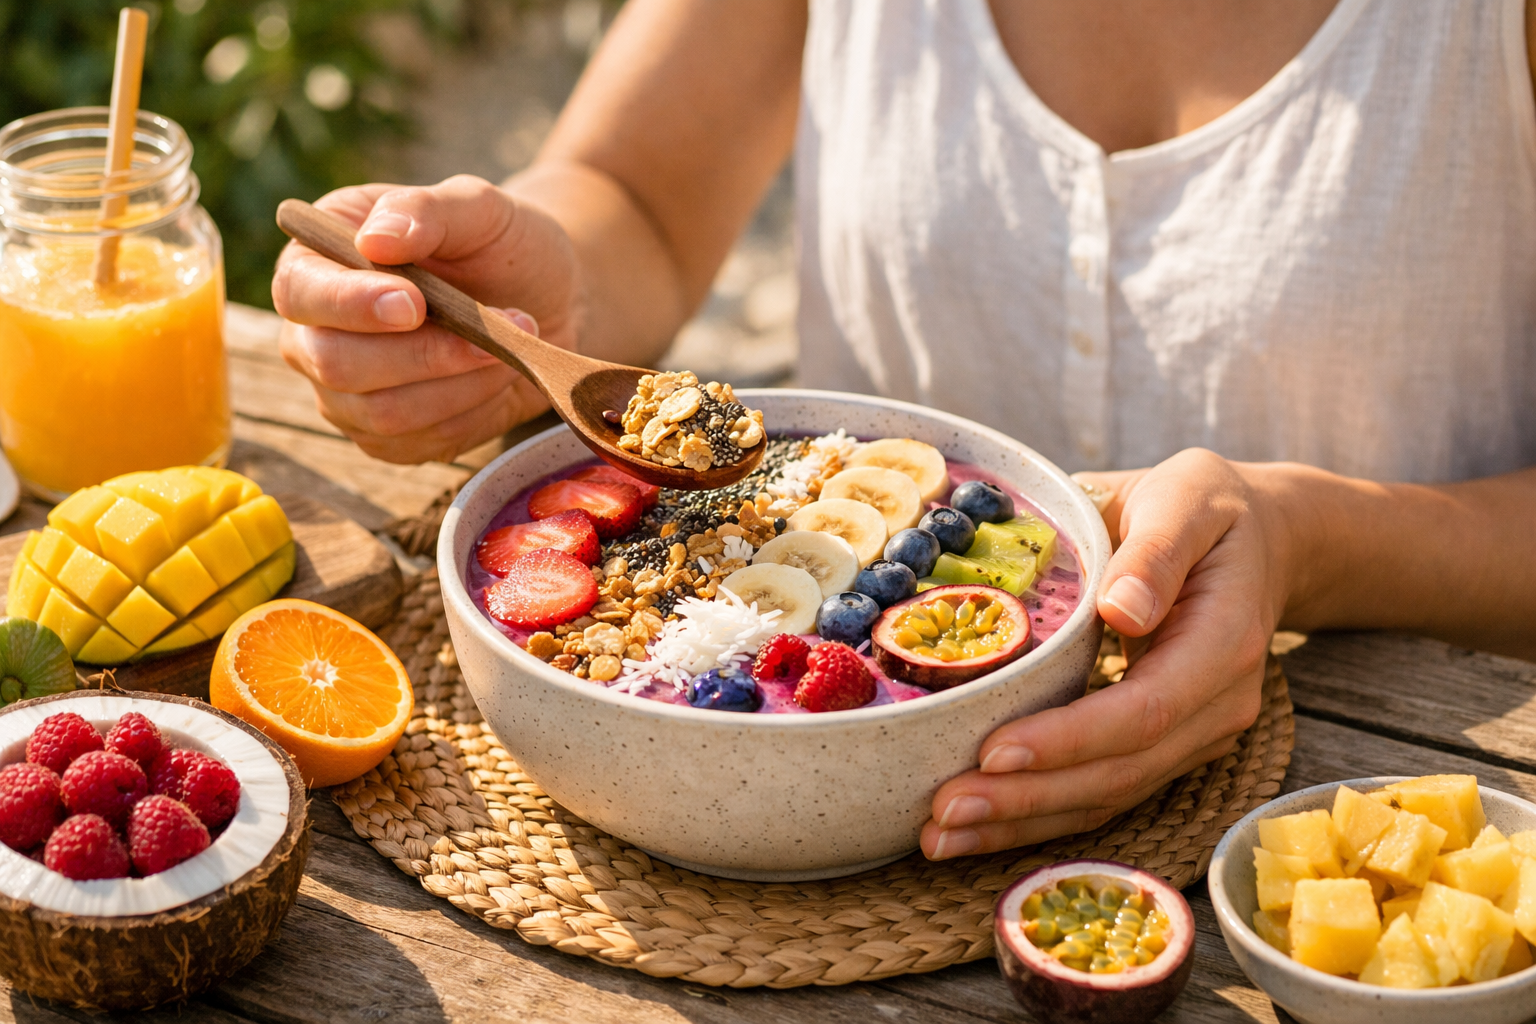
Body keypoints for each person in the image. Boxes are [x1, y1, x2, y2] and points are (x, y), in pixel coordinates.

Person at [272, 0, 1536, 862]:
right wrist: (537, 295)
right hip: (808, 800)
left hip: (1401, 777)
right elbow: (638, 197)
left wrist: (1315, 542)